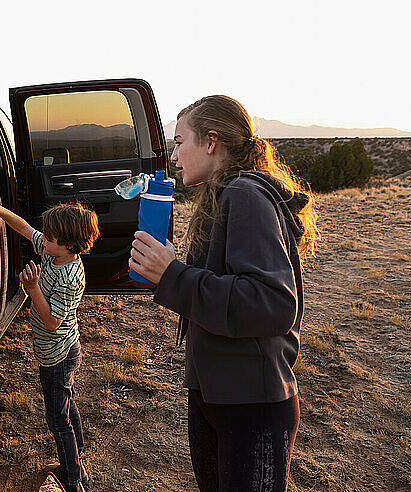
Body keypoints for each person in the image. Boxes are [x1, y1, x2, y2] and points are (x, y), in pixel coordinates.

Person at [128, 95, 319, 491]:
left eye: (180, 142)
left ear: (211, 141)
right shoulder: (219, 196)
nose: (173, 155)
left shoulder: (245, 195)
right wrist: (168, 272)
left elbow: (274, 302)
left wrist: (174, 275)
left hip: (252, 405)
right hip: (215, 392)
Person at [0, 195, 99, 492]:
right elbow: (25, 228)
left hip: (58, 355)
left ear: (69, 244)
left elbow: (52, 320)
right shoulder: (55, 252)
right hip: (57, 352)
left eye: (50, 238)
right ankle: (77, 455)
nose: (44, 241)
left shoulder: (69, 275)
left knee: (57, 419)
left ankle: (71, 478)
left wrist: (32, 288)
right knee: (65, 405)